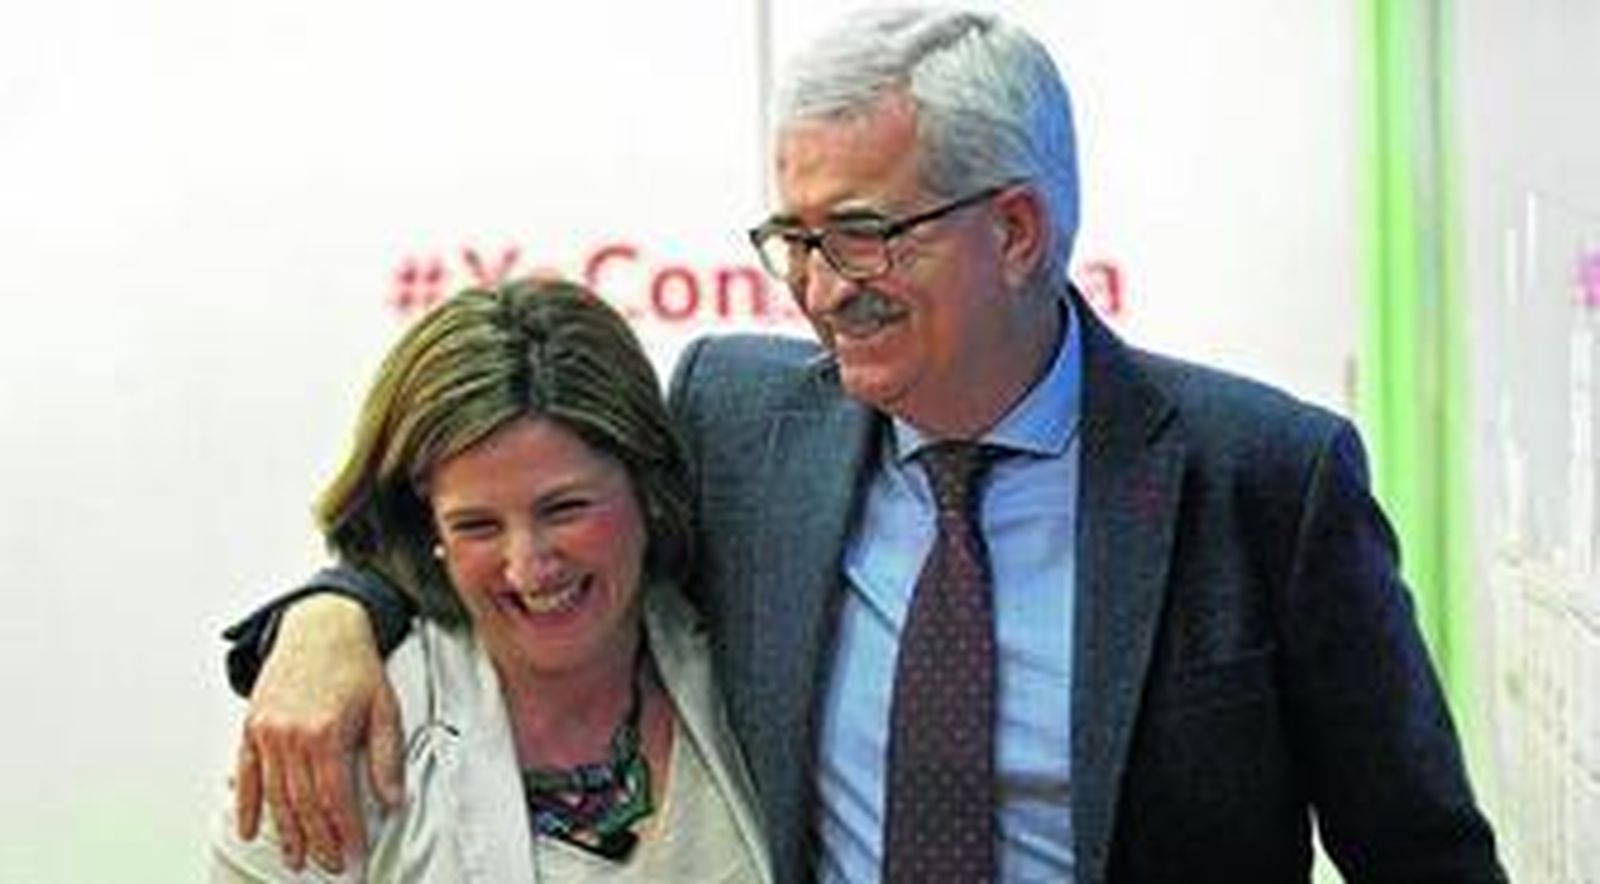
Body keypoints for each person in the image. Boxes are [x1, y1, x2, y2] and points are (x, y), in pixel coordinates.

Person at [222, 5, 1506, 882]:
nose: (821, 285)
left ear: (1015, 230)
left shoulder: (1264, 479)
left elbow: (1423, 856)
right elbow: (524, 511)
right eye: (794, 236)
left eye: (864, 233)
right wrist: (331, 615)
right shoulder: (741, 418)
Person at [211, 280, 771, 882]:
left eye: (565, 509)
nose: (527, 567)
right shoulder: (332, 738)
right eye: (476, 526)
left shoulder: (757, 660)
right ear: (426, 525)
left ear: (648, 488)